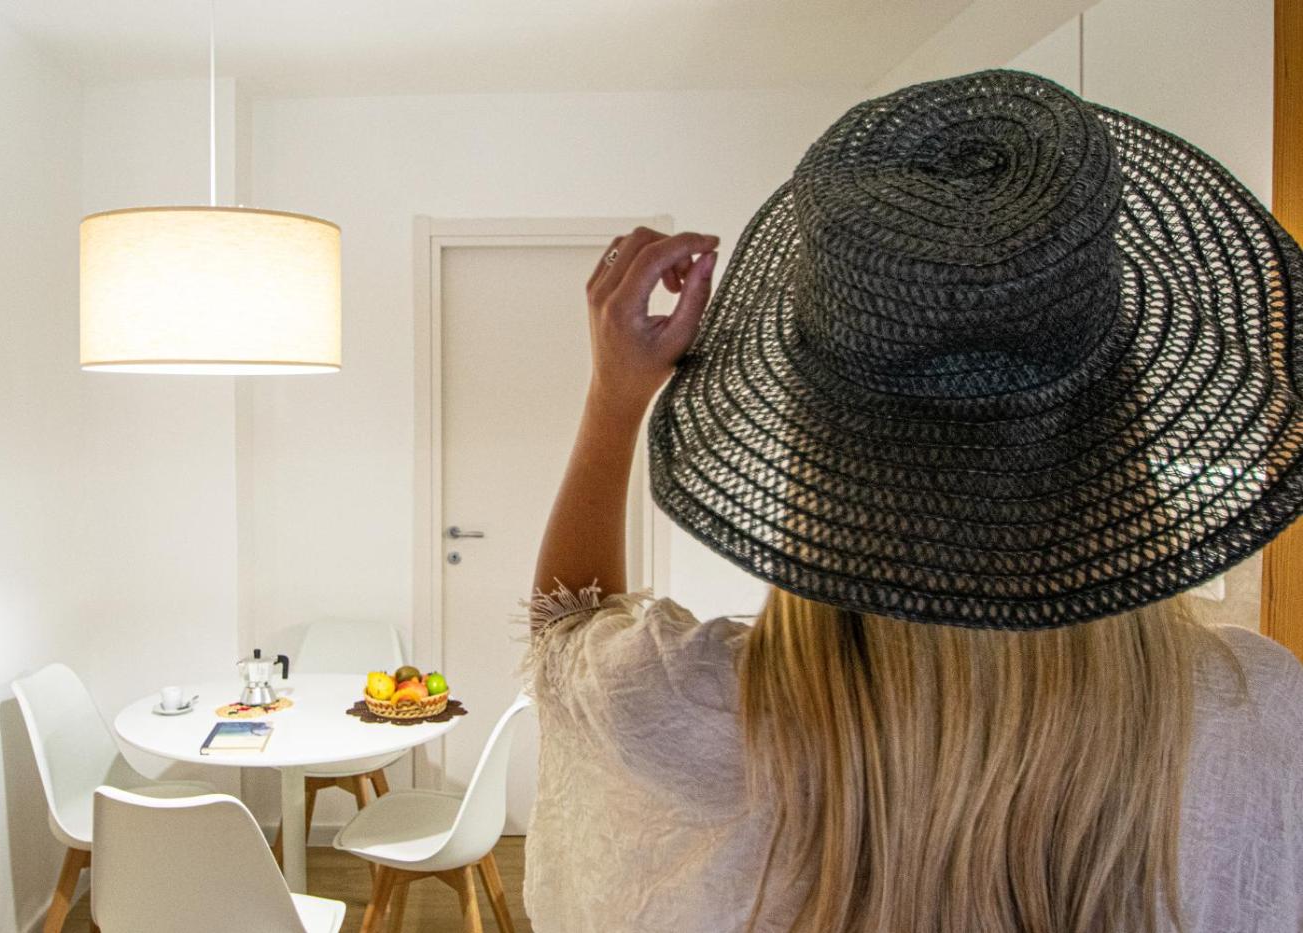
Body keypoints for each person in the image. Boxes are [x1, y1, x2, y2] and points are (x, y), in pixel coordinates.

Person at [522, 69, 1303, 932]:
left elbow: (563, 629)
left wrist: (614, 397)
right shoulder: (1260, 710)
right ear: (1120, 415)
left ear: (814, 434)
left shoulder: (698, 708)